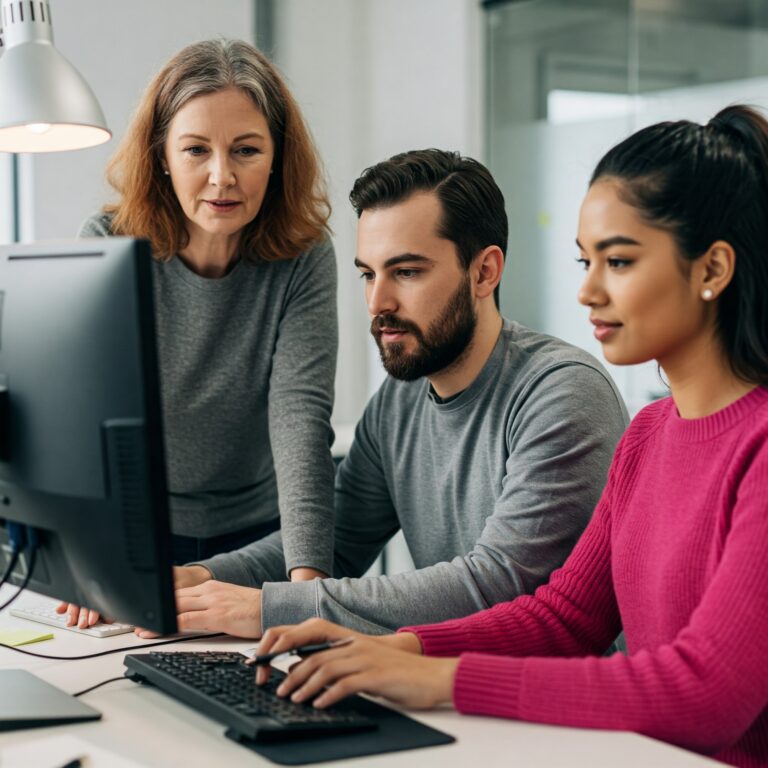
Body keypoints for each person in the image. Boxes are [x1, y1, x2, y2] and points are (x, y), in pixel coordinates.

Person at [252, 106, 768, 767]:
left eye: (618, 261)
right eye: (586, 260)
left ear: (713, 270)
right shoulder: (648, 435)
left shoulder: (755, 446)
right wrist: (402, 648)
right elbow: (563, 618)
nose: (586, 290)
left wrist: (442, 679)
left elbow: (702, 694)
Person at [161, 149, 629, 639]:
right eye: (369, 273)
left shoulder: (563, 393)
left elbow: (497, 586)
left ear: (485, 272)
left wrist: (268, 608)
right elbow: (333, 541)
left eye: (406, 272)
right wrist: (204, 579)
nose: (378, 302)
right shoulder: (399, 401)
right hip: (437, 688)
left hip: (551, 707)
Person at [64, 39, 338, 629]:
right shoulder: (110, 243)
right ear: (163, 155)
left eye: (245, 150)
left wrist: (308, 594)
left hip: (259, 541)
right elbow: (90, 418)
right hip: (138, 534)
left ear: (276, 156)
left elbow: (300, 416)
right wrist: (92, 556)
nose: (222, 177)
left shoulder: (304, 256)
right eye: (195, 150)